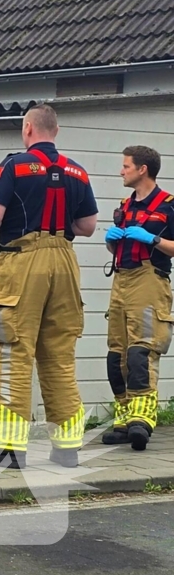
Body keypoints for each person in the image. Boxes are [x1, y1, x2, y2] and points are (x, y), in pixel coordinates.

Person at [0, 105, 97, 470]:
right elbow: (87, 226)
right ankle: (68, 447)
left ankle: (9, 448)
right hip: (64, 260)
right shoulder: (77, 169)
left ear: (28, 128)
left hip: (23, 258)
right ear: (55, 131)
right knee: (59, 353)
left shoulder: (13, 165)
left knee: (13, 349)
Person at [101, 146, 174, 451]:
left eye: (126, 166)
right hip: (122, 279)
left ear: (142, 169)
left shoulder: (168, 206)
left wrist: (153, 239)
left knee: (140, 353)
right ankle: (123, 418)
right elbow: (115, 250)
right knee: (116, 356)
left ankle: (142, 420)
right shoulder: (124, 206)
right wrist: (110, 241)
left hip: (149, 281)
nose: (122, 171)